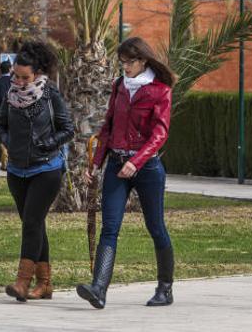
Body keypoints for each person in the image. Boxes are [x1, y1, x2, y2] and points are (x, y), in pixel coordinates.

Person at [76, 36, 176, 309]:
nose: (125, 67)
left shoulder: (160, 90)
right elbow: (108, 128)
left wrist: (139, 161)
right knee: (110, 228)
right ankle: (99, 289)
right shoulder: (119, 86)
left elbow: (160, 133)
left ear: (143, 60)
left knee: (156, 228)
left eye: (129, 62)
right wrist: (95, 164)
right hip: (117, 165)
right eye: (121, 63)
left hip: (148, 169)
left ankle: (165, 289)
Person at [0, 40, 74, 302]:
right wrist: (7, 140)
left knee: (31, 222)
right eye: (14, 76)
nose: (17, 81)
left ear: (38, 74)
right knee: (34, 224)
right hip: (17, 170)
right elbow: (0, 123)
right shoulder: (10, 95)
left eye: (23, 77)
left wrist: (48, 143)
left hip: (47, 168)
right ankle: (46, 284)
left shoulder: (51, 94)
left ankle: (22, 282)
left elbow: (67, 129)